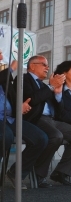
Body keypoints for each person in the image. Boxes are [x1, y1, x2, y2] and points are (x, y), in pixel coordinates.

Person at [15, 55, 71, 186]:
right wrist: (50, 87)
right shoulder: (23, 79)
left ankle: (61, 172)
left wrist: (58, 94)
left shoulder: (44, 85)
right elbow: (31, 100)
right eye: (44, 64)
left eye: (47, 65)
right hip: (35, 119)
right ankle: (39, 174)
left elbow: (59, 111)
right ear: (32, 66)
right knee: (56, 136)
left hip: (52, 119)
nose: (47, 68)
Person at [0, 60, 48, 189]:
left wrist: (20, 107)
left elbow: (13, 101)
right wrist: (11, 68)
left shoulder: (5, 83)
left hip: (10, 119)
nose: (1, 56)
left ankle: (16, 173)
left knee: (41, 138)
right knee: (6, 136)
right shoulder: (9, 76)